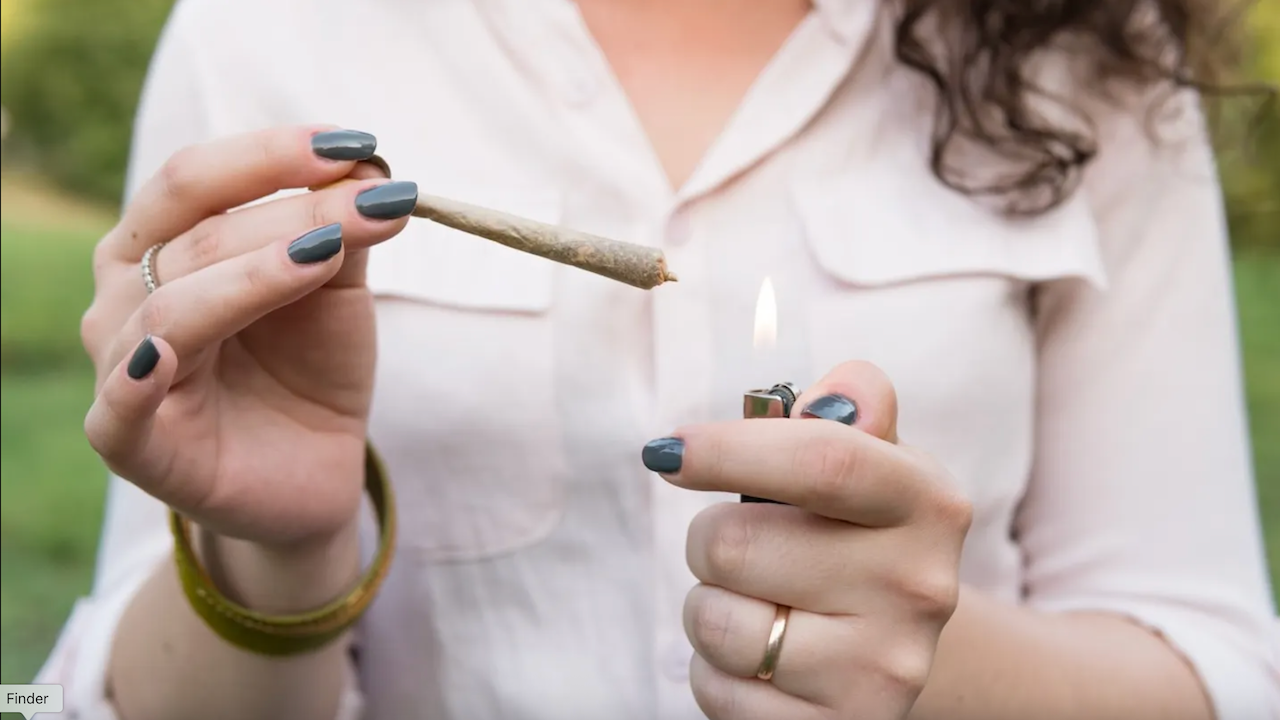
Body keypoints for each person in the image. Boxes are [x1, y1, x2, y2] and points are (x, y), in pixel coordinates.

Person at [33, 0, 1279, 718]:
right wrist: (282, 547)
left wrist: (904, 641)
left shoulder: (1088, 46)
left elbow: (1214, 668)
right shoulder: (266, 28)